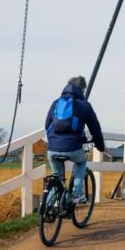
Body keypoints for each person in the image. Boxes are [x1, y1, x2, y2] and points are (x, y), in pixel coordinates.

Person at [44, 76, 106, 204]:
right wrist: (100, 146)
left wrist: (53, 140)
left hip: (52, 149)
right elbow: (95, 129)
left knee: (56, 176)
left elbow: (47, 125)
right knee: (81, 163)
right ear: (82, 89)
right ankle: (77, 194)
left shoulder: (56, 102)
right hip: (73, 148)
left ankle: (49, 208)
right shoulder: (85, 105)